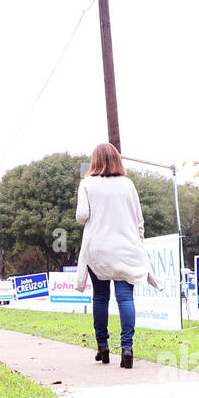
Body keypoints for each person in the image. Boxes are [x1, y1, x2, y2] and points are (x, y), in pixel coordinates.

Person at [74, 142, 158, 369]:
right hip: (126, 248)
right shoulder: (128, 184)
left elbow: (82, 216)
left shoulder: (87, 184)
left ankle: (103, 347)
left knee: (101, 298)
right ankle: (127, 348)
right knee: (125, 298)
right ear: (117, 160)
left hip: (98, 249)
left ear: (95, 161)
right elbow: (139, 220)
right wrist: (137, 242)